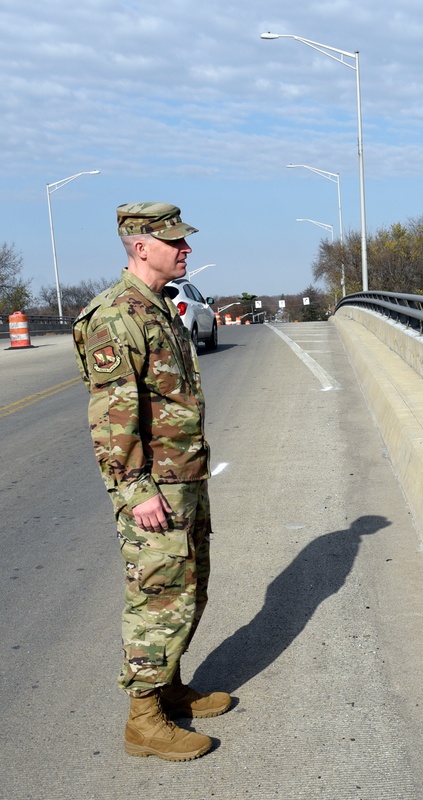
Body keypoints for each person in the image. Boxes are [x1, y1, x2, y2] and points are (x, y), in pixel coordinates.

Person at [73, 202, 229, 761]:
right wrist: (136, 492)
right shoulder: (116, 317)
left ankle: (168, 687)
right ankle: (143, 720)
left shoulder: (160, 305)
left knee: (188, 589)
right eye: (175, 242)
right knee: (157, 597)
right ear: (141, 247)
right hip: (154, 489)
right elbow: (112, 420)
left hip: (184, 479)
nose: (187, 250)